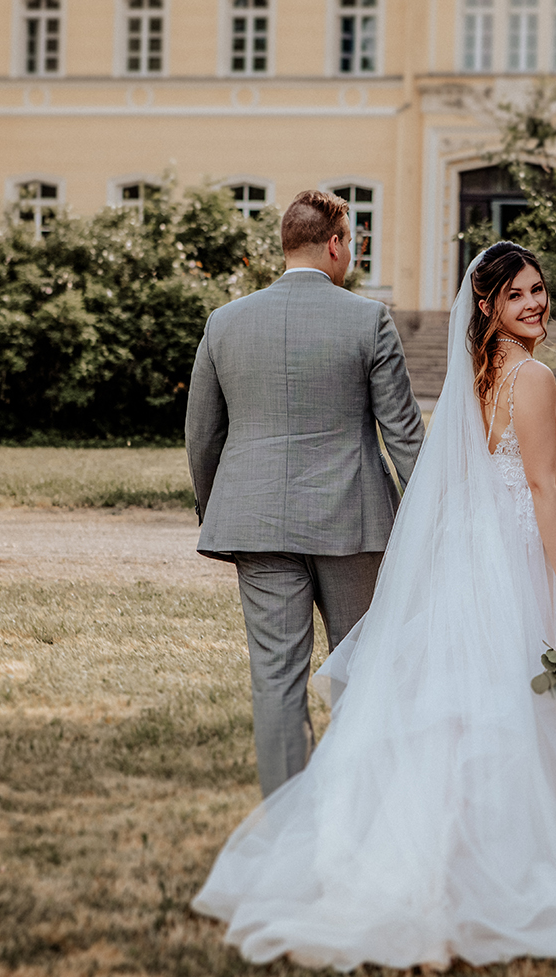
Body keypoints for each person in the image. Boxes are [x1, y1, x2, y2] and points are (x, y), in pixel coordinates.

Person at [191, 242, 556, 970]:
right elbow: (541, 490)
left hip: (472, 550)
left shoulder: (474, 380)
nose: (536, 304)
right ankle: (524, 873)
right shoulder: (534, 378)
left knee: (468, 713)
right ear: (487, 307)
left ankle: (446, 868)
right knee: (526, 711)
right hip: (519, 550)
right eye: (518, 295)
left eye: (540, 290)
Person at [184, 189, 424, 799]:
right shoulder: (367, 320)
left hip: (256, 521)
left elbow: (203, 438)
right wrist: (433, 518)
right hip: (354, 523)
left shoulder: (225, 321)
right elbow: (404, 437)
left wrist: (220, 513)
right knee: (362, 673)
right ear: (337, 243)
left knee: (275, 681)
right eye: (355, 242)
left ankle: (290, 828)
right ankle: (363, 807)